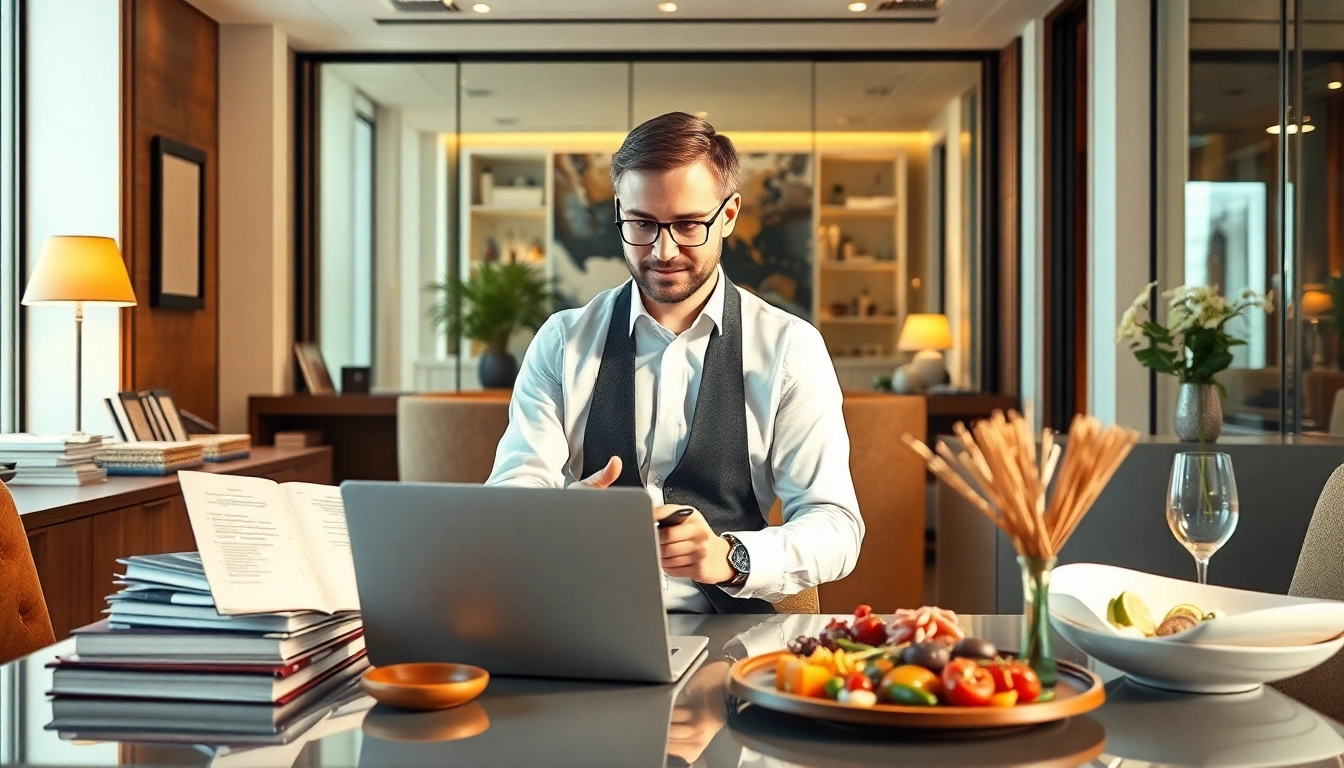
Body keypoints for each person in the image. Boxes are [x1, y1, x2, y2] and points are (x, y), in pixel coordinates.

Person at [486, 111, 863, 613]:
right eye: (641, 224)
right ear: (620, 212)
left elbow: (835, 523)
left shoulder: (792, 349)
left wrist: (732, 557)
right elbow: (510, 496)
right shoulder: (561, 342)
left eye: (687, 224)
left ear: (728, 215)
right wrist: (557, 515)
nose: (663, 251)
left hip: (731, 637)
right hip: (584, 622)